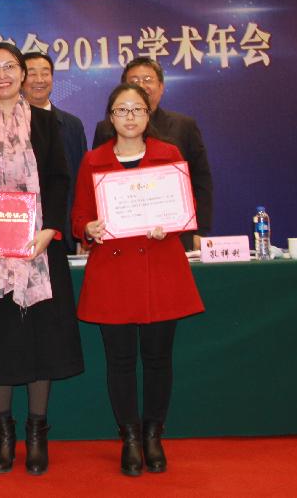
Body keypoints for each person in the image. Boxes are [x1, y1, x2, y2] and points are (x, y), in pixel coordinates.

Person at [0, 42, 84, 475]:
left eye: (9, 66)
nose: (2, 75)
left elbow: (60, 179)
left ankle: (36, 433)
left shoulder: (46, 123)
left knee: (39, 342)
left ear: (23, 73)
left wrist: (50, 230)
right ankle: (4, 434)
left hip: (39, 252)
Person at [73, 82, 205, 476]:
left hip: (160, 268)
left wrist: (172, 224)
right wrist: (89, 228)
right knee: (120, 360)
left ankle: (153, 434)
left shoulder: (169, 155)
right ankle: (129, 436)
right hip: (113, 274)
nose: (129, 116)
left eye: (137, 109)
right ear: (110, 117)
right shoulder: (93, 160)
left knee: (159, 358)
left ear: (148, 115)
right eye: (121, 110)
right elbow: (79, 217)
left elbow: (186, 207)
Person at [92, 58, 212, 249]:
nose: (141, 85)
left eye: (148, 79)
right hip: (122, 237)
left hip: (174, 234)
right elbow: (96, 186)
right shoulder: (106, 128)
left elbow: (200, 181)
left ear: (161, 87)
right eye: (134, 80)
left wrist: (199, 231)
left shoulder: (184, 126)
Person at [22, 51, 88, 254]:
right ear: (21, 79)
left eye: (45, 73)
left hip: (63, 232)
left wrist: (80, 234)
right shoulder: (8, 125)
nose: (39, 80)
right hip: (20, 229)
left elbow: (81, 182)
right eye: (32, 73)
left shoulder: (71, 125)